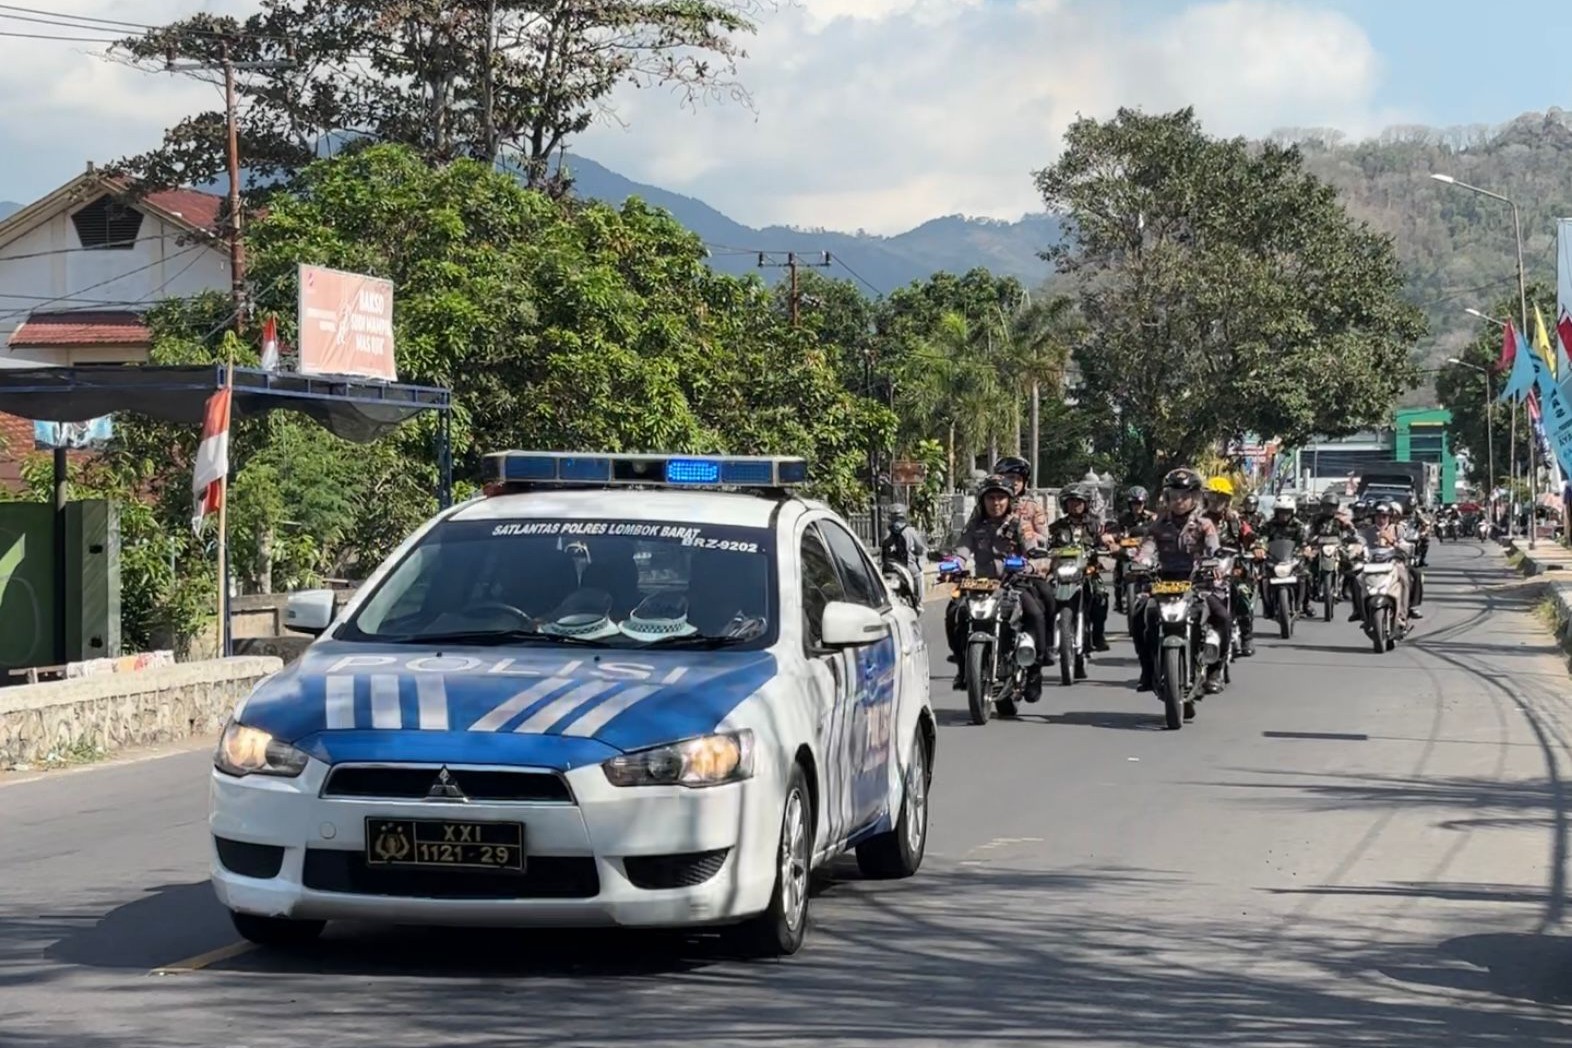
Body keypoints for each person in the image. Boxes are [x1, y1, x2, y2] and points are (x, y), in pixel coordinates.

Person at [944, 474, 1047, 701]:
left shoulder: (1018, 523)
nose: (996, 503)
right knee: (954, 612)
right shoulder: (975, 525)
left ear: (1009, 500)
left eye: (1001, 497)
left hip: (1014, 582)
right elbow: (962, 548)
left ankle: (1035, 671)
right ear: (983, 501)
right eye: (991, 498)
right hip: (981, 585)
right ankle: (963, 665)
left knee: (1035, 614)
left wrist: (1031, 561)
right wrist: (955, 564)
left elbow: (1032, 546)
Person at [1132, 468, 1233, 695]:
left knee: (1223, 617)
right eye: (1174, 496)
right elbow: (1146, 549)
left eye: (1185, 496)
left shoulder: (1205, 524)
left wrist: (1216, 563)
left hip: (1198, 582)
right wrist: (1140, 562)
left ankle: (1216, 670)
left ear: (1195, 498)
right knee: (1140, 616)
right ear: (1167, 497)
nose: (1179, 501)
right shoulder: (1157, 526)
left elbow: (1214, 548)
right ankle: (1147, 670)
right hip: (1163, 582)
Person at [1046, 483, 1111, 652]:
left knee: (1100, 596)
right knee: (1045, 596)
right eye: (1071, 502)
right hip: (1062, 571)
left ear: (1086, 503)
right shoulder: (1056, 527)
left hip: (1087, 570)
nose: (1075, 505)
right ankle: (1046, 642)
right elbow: (1047, 545)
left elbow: (1103, 540)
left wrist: (1107, 545)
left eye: (1079, 502)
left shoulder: (1094, 524)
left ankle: (1098, 636)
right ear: (1065, 504)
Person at [1201, 476, 1255, 656]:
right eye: (1213, 497)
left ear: (1228, 501)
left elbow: (1250, 536)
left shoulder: (1235, 521)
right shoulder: (1196, 520)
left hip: (1232, 568)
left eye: (1221, 498)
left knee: (1242, 593)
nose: (1216, 502)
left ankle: (1247, 636)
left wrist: (1257, 547)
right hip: (1203, 570)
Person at [1357, 501, 1413, 633]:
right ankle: (1360, 612)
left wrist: (1393, 541)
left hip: (1393, 563)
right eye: (1378, 516)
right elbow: (1359, 544)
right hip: (1372, 565)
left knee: (1404, 580)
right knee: (1356, 579)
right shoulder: (1367, 531)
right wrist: (1355, 550)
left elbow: (1407, 547)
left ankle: (1401, 616)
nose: (1381, 519)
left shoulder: (1397, 530)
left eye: (1384, 516)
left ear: (1389, 517)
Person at [1111, 485, 1156, 612]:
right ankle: (1118, 599)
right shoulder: (1123, 518)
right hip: (1127, 551)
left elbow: (1159, 530)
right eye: (1134, 503)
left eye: (1139, 503)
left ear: (1144, 503)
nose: (1137, 506)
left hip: (1146, 551)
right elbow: (1114, 531)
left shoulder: (1152, 518)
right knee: (1119, 566)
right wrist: (1113, 539)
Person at [992, 456, 1048, 547]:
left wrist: (1028, 534)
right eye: (1011, 477)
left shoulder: (1033, 507)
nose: (1015, 482)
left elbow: (1044, 539)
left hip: (1027, 558)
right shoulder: (987, 504)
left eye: (1019, 479)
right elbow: (970, 532)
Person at [880, 503, 928, 603]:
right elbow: (920, 548)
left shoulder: (886, 531)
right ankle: (918, 601)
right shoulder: (910, 531)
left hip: (888, 567)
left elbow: (882, 547)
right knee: (918, 574)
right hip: (907, 567)